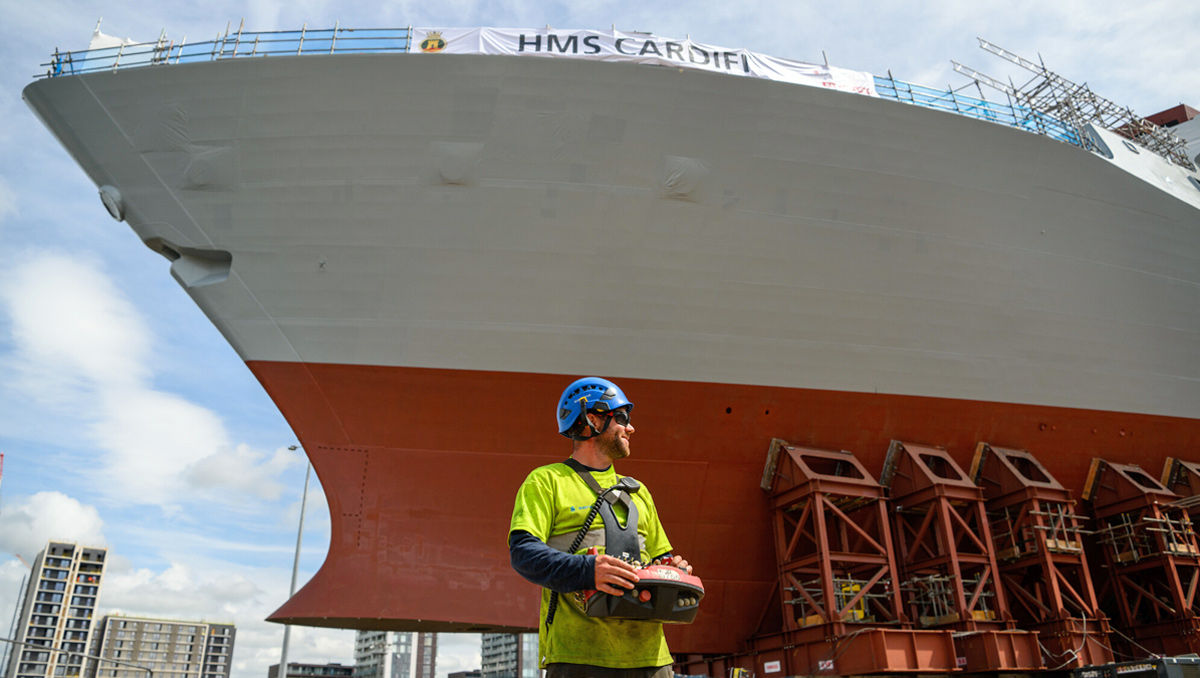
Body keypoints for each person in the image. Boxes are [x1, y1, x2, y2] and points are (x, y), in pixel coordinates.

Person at [509, 377, 693, 678]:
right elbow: (523, 554)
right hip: (579, 657)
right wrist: (588, 570)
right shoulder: (546, 481)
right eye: (621, 417)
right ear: (591, 420)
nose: (630, 428)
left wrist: (673, 568)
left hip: (652, 659)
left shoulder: (638, 492)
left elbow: (661, 558)